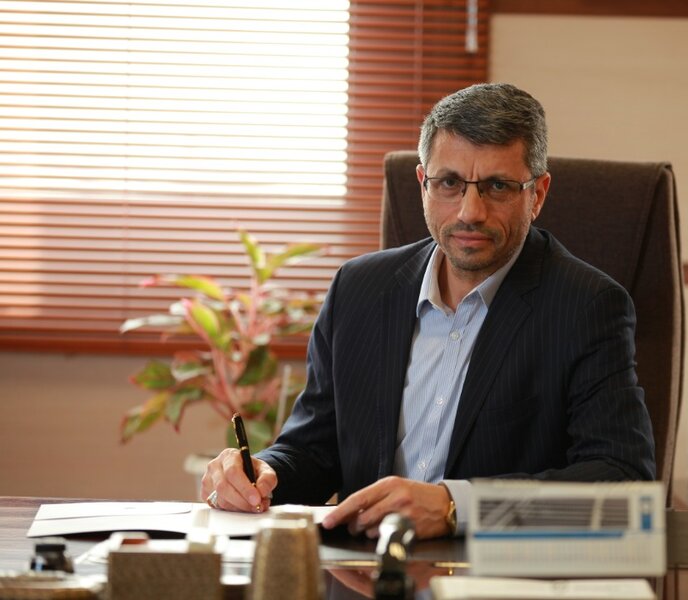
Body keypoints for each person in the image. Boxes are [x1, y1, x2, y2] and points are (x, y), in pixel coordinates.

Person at [201, 82, 655, 540]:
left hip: (491, 571)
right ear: (423, 184)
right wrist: (263, 473)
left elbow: (623, 482)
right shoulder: (358, 290)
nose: (470, 212)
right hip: (364, 567)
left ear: (537, 194)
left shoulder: (586, 306)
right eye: (449, 183)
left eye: (497, 186)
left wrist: (455, 507)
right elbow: (314, 450)